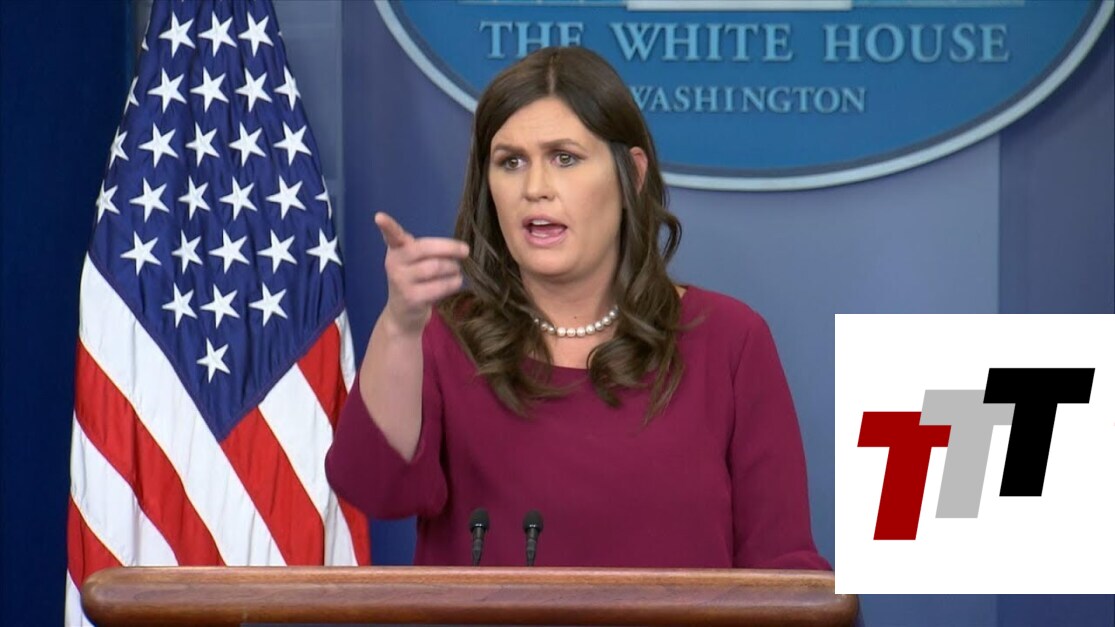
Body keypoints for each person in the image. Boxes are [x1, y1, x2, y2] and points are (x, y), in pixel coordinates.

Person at [325, 46, 829, 570]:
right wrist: (400, 326)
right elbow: (375, 488)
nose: (535, 188)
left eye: (564, 158)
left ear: (631, 174)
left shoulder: (727, 339)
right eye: (511, 162)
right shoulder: (442, 338)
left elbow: (783, 569)